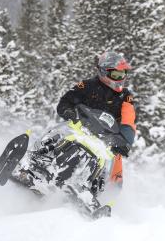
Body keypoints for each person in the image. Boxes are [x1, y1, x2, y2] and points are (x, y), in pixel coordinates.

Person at [56, 51, 137, 185]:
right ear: (104, 72)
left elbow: (129, 120)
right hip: (80, 128)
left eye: (122, 75)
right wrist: (68, 111)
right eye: (116, 75)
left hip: (106, 139)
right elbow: (65, 101)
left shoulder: (125, 96)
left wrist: (125, 142)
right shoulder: (87, 86)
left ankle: (97, 191)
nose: (120, 79)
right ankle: (39, 159)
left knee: (115, 175)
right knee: (59, 135)